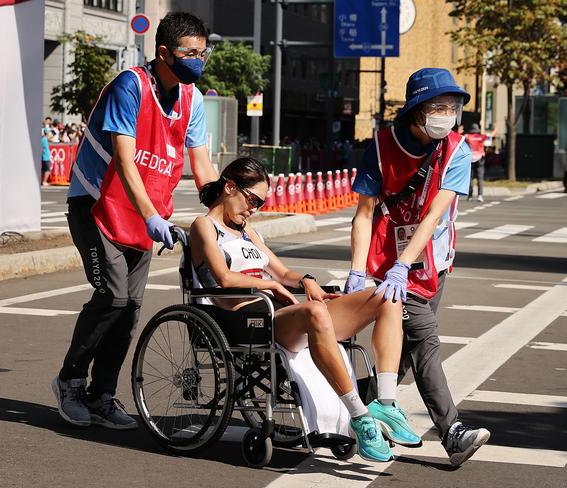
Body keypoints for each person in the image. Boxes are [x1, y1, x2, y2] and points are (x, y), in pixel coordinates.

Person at [189, 157, 422, 462]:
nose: (254, 209)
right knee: (314, 312)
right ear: (230, 187)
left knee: (387, 297)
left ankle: (386, 403)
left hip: (276, 313)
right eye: (252, 200)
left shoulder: (249, 233)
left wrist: (306, 281)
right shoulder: (204, 225)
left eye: (260, 203)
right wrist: (270, 287)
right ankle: (359, 416)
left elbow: (283, 273)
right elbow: (223, 277)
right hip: (243, 318)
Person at [51, 12, 217, 431]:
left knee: (131, 311)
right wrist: (150, 216)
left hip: (145, 215)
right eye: (190, 53)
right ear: (163, 52)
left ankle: (102, 396)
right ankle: (70, 382)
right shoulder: (130, 86)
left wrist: (224, 210)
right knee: (114, 296)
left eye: (203, 52)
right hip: (96, 205)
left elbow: (200, 162)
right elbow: (125, 160)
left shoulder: (192, 98)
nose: (199, 60)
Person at [345, 68, 491, 467]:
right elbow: (364, 212)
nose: (448, 114)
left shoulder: (457, 150)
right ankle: (453, 432)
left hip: (433, 262)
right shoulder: (381, 145)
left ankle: (348, 407)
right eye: (438, 106)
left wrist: (408, 264)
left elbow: (433, 216)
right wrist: (359, 270)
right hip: (391, 264)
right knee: (425, 340)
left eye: (453, 107)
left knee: (406, 352)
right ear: (416, 112)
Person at [464, 123, 488, 202]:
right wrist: (495, 128)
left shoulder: (467, 136)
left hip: (470, 159)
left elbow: (459, 137)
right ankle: (480, 195)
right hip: (480, 159)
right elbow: (491, 135)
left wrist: (459, 130)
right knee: (480, 178)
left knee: (470, 178)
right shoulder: (481, 137)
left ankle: (470, 196)